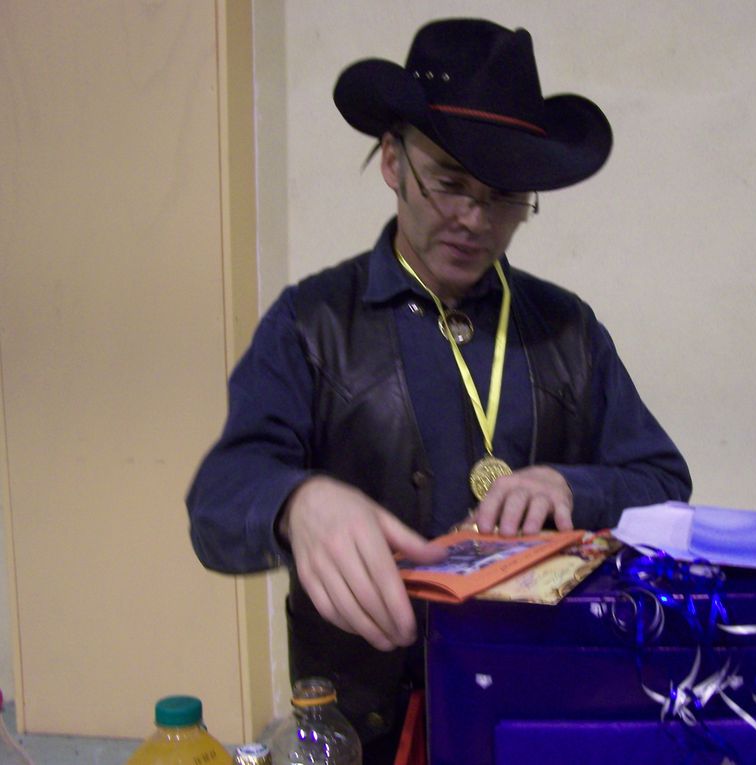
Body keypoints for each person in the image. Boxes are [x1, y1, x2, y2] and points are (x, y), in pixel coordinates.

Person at [187, 17, 692, 764]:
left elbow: (665, 485)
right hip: (365, 726)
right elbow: (219, 500)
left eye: (504, 197)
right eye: (450, 183)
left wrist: (572, 485)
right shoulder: (313, 321)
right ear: (393, 161)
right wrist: (296, 502)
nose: (474, 220)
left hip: (539, 710)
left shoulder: (566, 330)